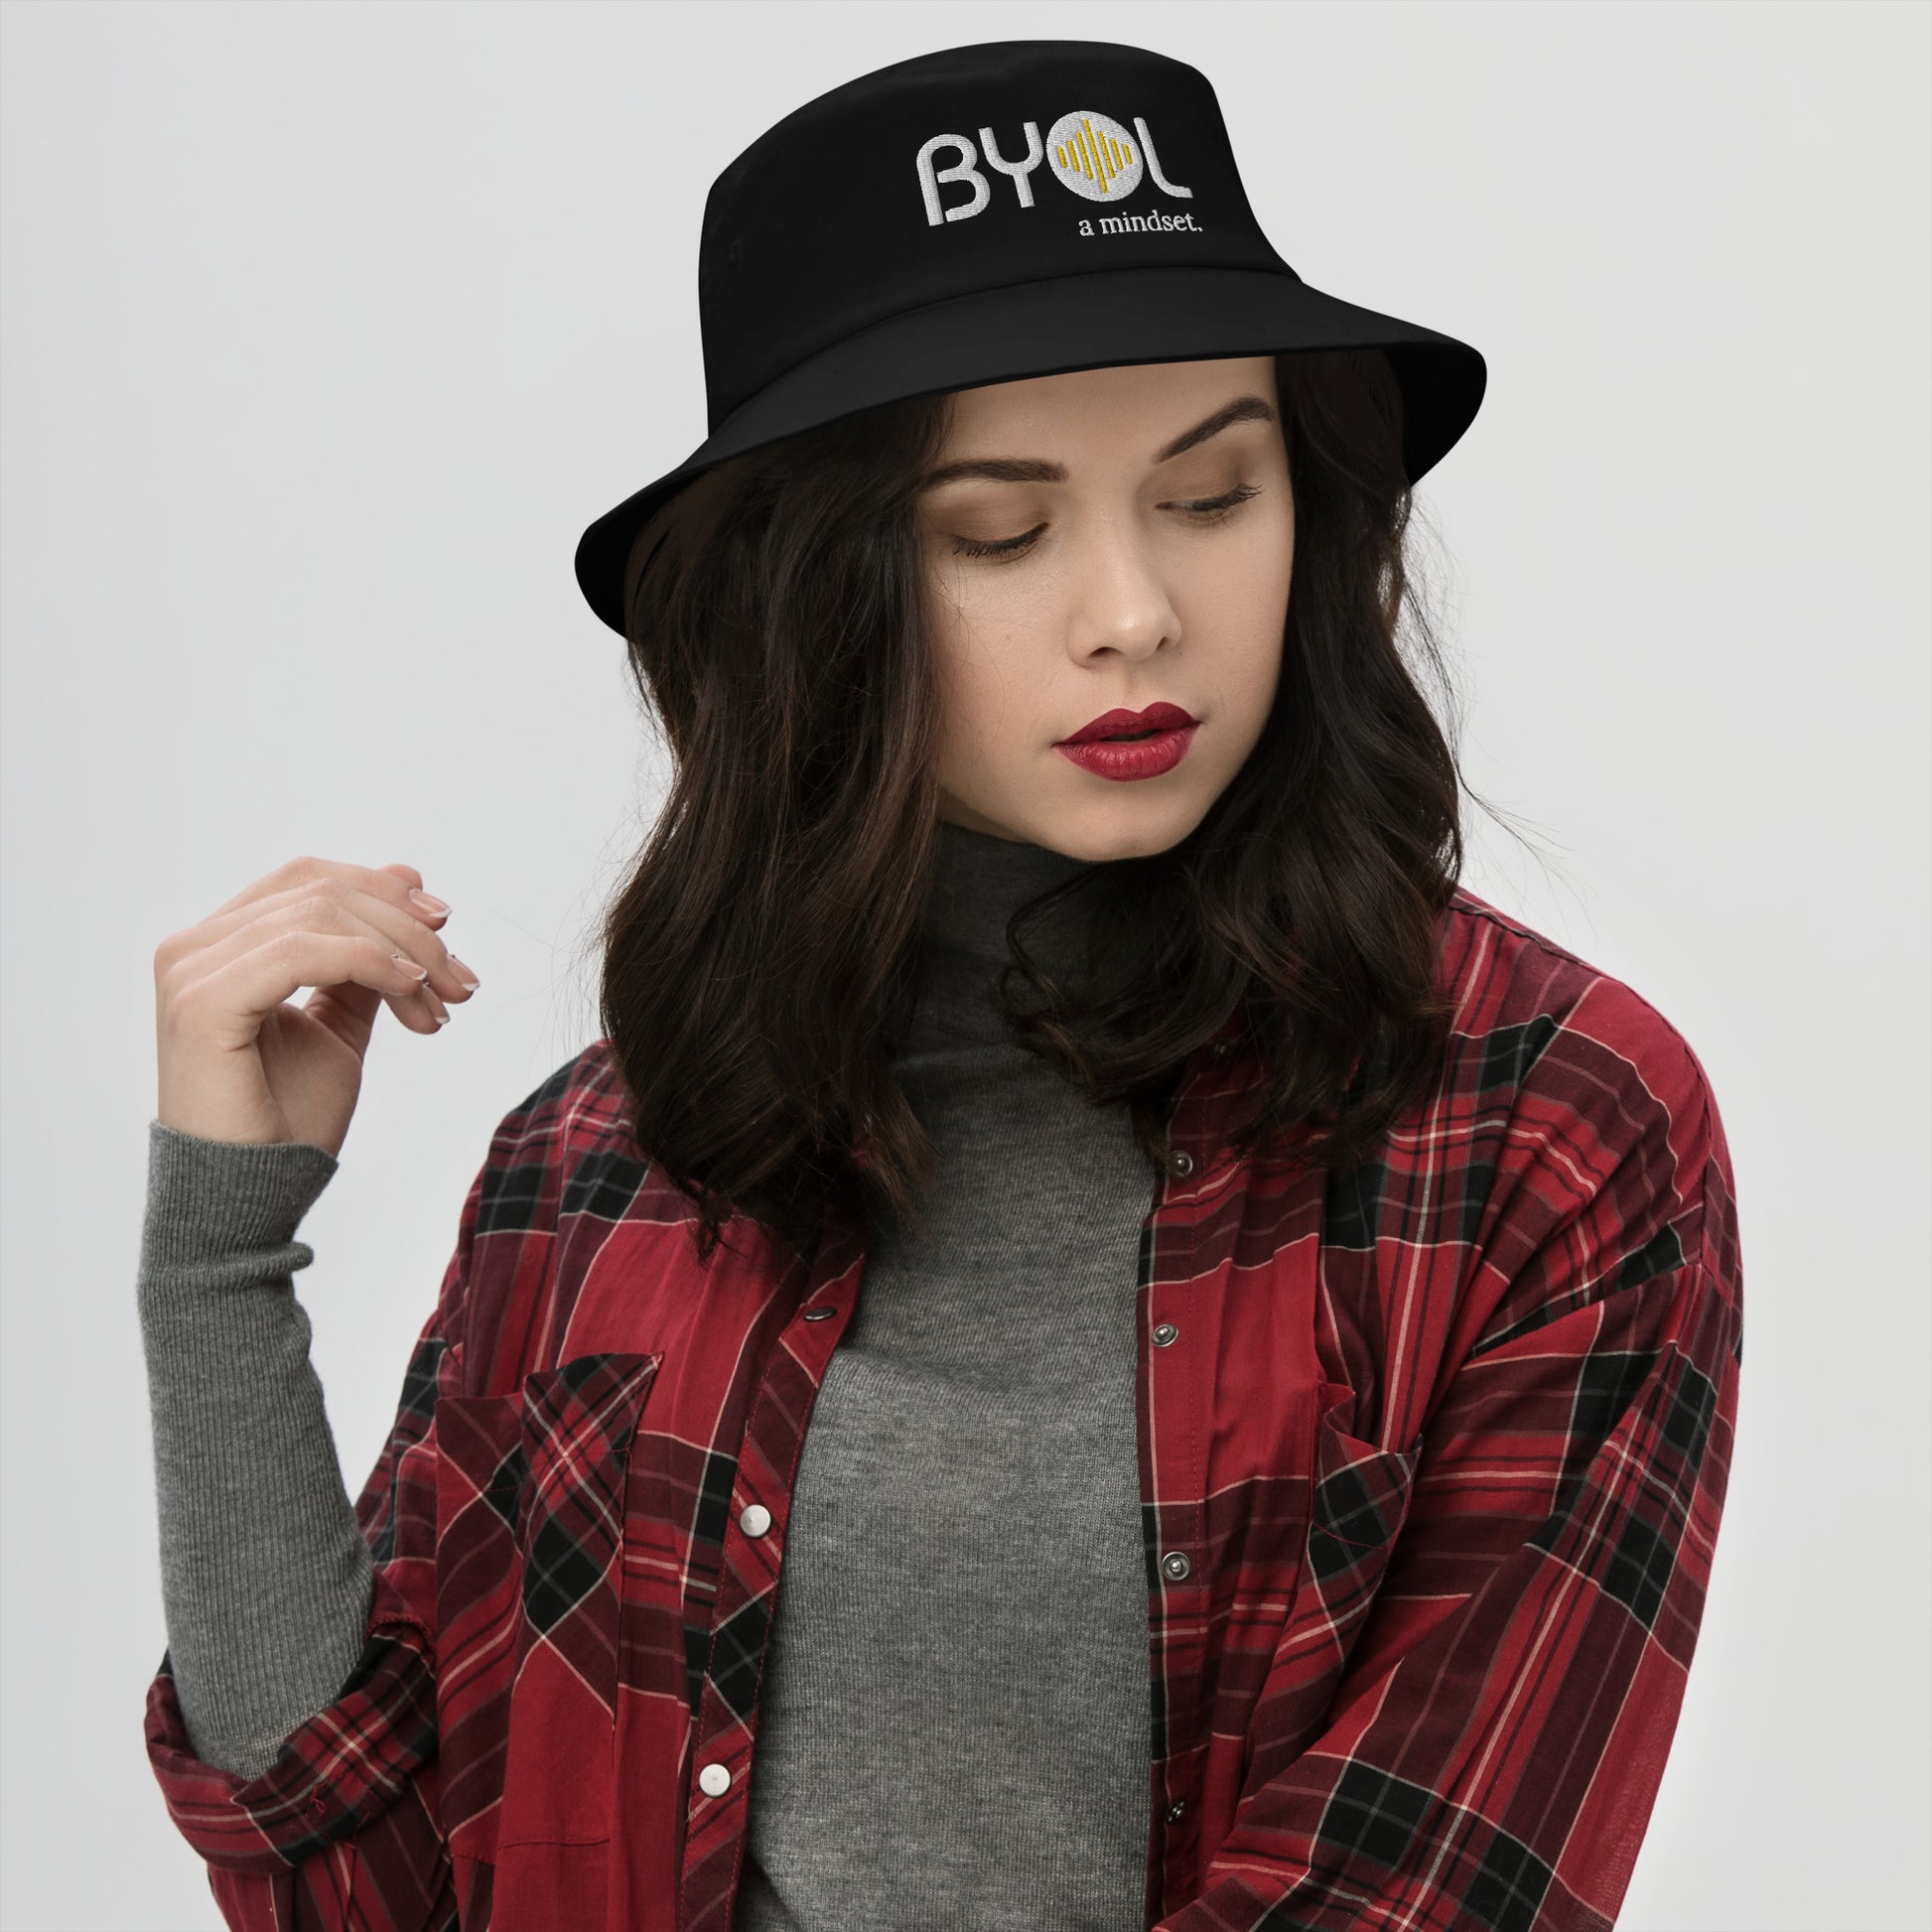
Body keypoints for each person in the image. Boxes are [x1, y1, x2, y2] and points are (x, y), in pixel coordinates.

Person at [137, 37, 1743, 1932]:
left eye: (1213, 495)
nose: (1133, 610)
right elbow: (372, 1892)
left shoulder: (1546, 1130)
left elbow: (1425, 1893)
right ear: (814, 592)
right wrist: (216, 1266)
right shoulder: (596, 1166)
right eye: (999, 528)